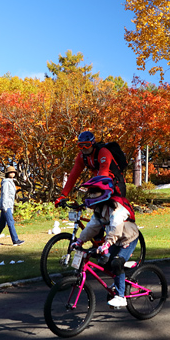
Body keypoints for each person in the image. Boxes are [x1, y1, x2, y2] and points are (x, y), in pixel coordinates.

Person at [69, 176, 140, 308]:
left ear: (103, 193)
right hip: (116, 239)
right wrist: (79, 241)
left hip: (128, 238)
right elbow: (92, 227)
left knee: (117, 262)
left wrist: (106, 244)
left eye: (94, 192)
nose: (90, 195)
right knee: (104, 261)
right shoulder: (99, 210)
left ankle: (120, 296)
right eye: (90, 192)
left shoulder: (116, 209)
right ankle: (121, 281)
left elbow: (115, 229)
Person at [55, 131, 124, 204]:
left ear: (92, 144)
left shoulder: (103, 152)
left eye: (87, 145)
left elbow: (104, 172)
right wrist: (63, 195)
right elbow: (73, 175)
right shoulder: (81, 156)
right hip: (100, 184)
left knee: (115, 210)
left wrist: (96, 189)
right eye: (81, 145)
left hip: (115, 183)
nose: (84, 148)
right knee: (97, 210)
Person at [0, 166, 25, 246]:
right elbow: (5, 195)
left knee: (2, 224)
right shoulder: (6, 182)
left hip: (8, 205)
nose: (12, 173)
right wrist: (5, 207)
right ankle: (15, 240)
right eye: (10, 172)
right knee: (10, 222)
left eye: (13, 172)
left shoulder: (10, 182)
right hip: (6, 205)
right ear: (7, 174)